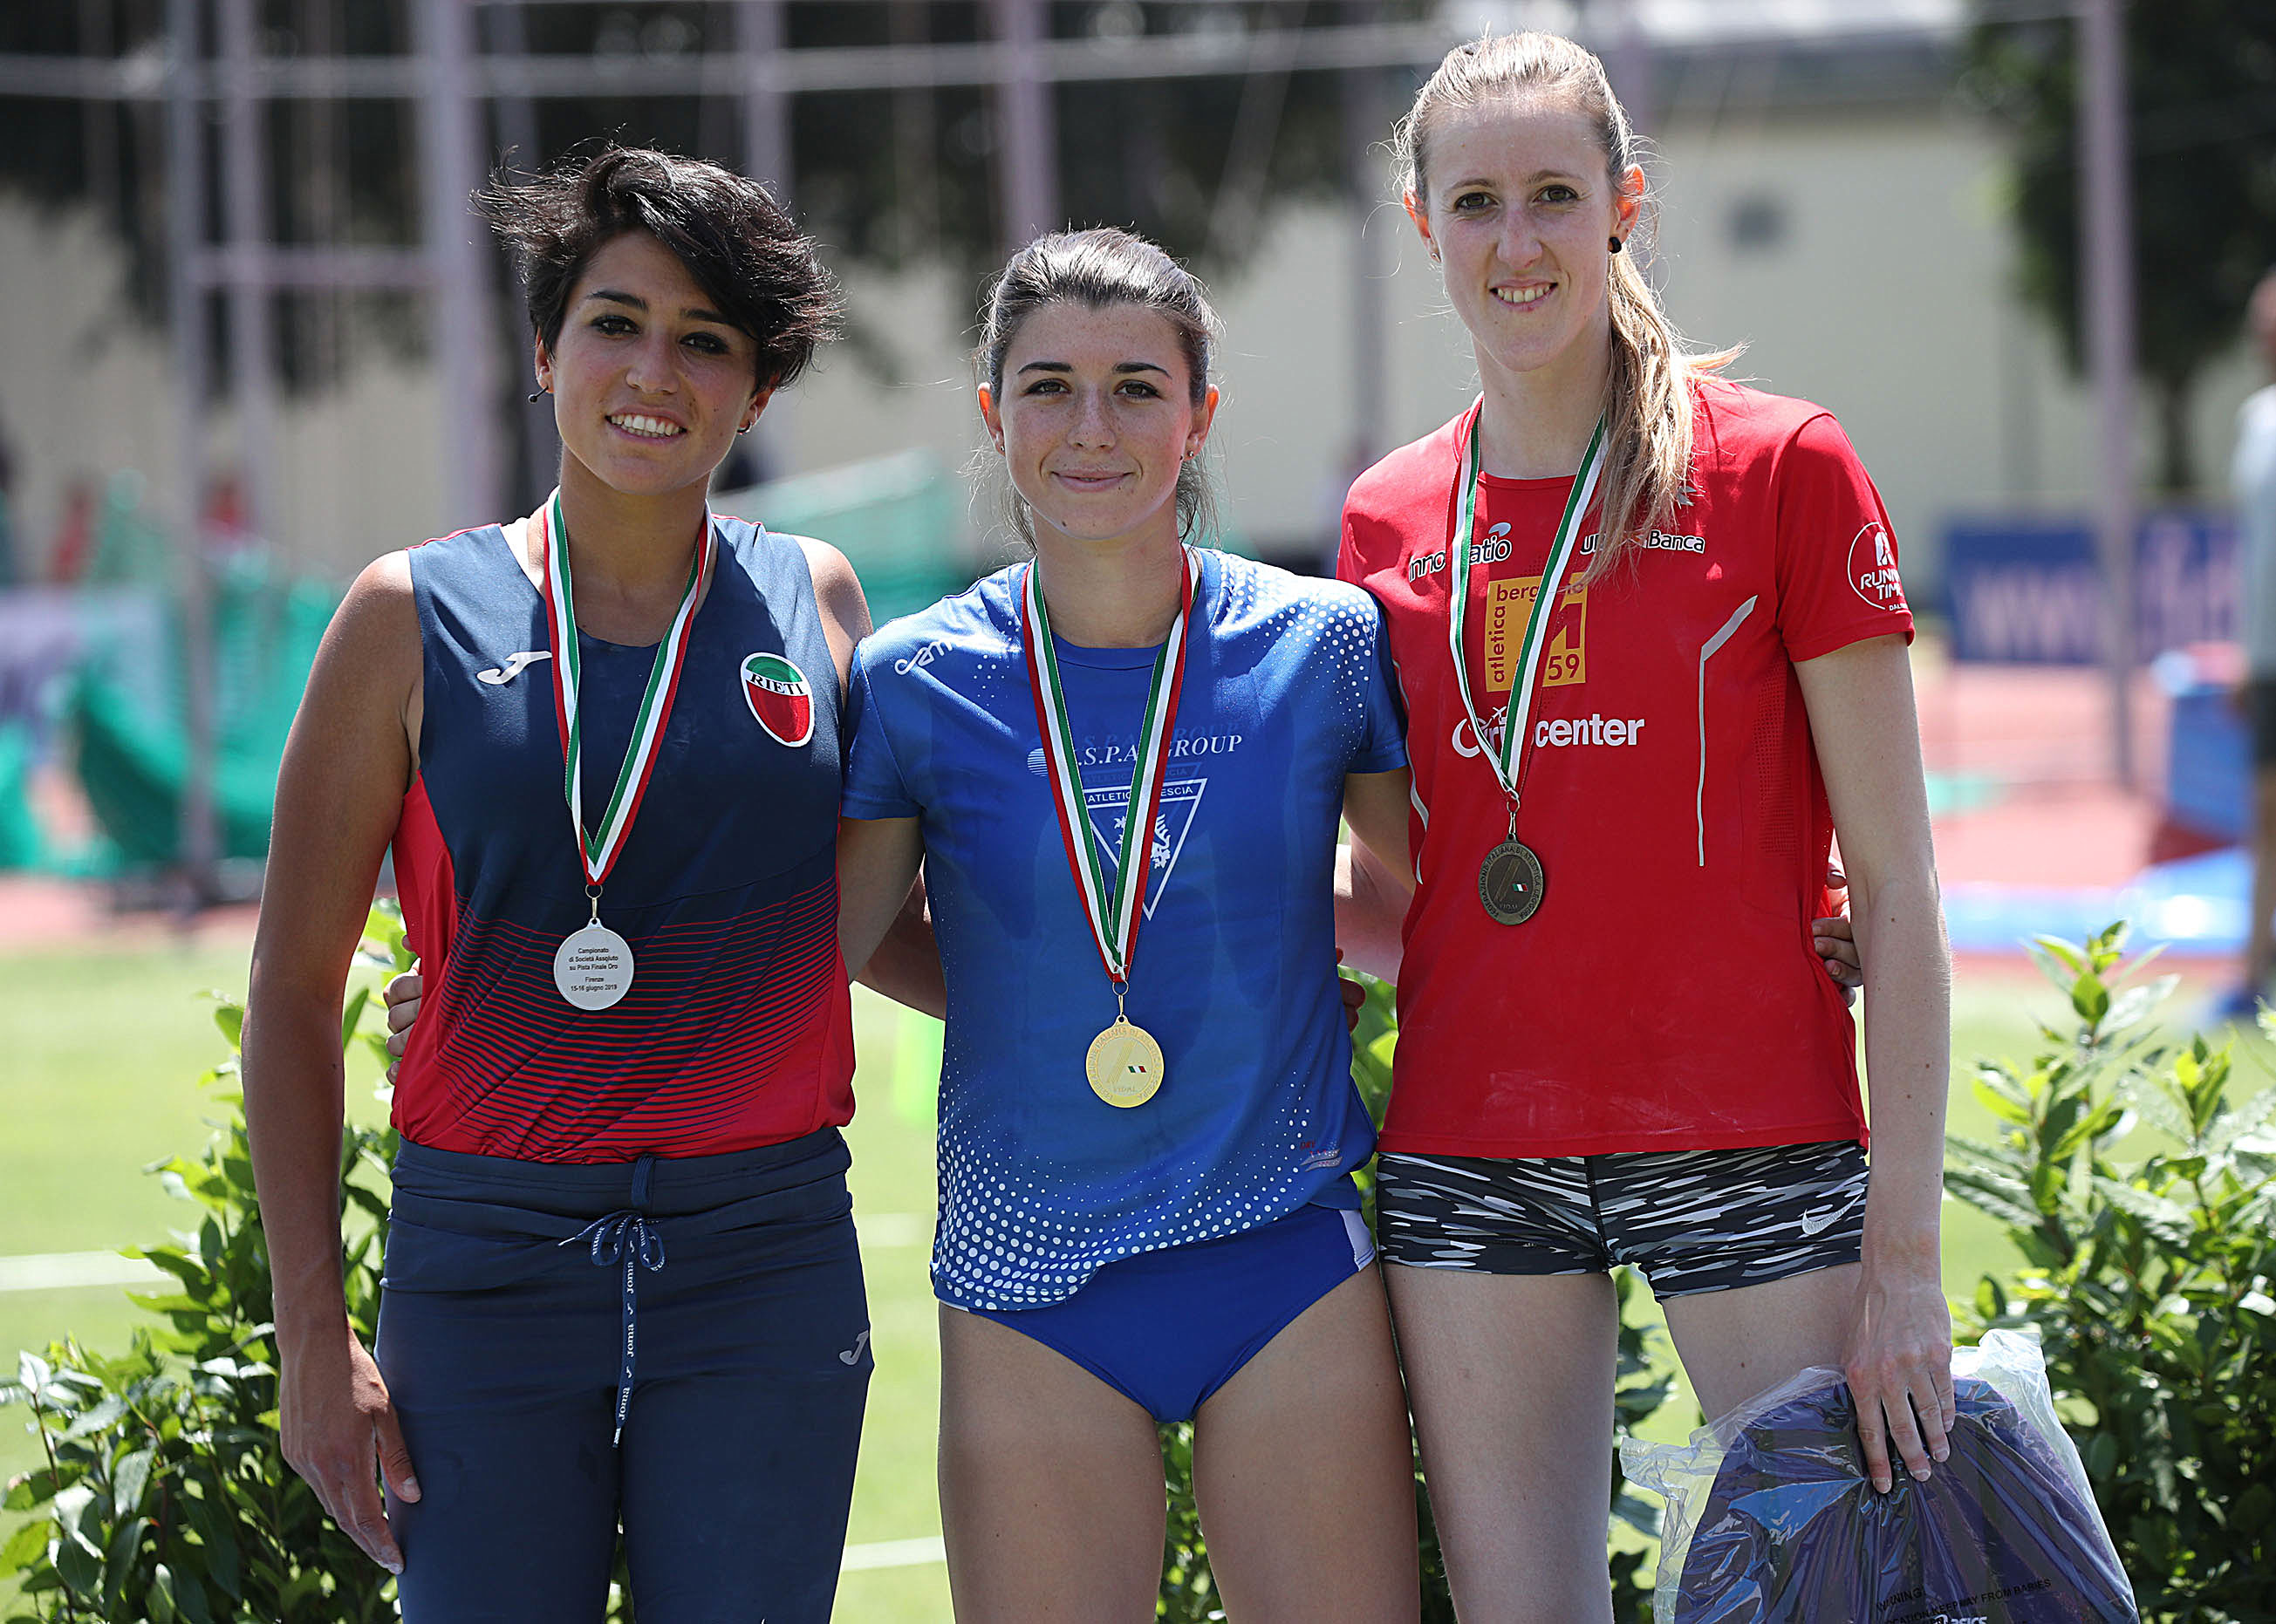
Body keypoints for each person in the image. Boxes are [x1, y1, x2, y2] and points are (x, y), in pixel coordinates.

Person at [1333, 32, 1954, 1624]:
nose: (1516, 240)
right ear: (1421, 224)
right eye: (1476, 201)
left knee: (1829, 1603)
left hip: (1749, 1130)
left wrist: (1903, 1259)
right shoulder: (1385, 516)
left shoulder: (1783, 469)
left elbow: (1895, 883)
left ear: (1623, 206)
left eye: (1554, 194)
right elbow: (1410, 873)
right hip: (1474, 1145)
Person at [242, 147, 896, 1624]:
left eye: (704, 340)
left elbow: (868, 927)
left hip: (764, 1257)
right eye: (613, 322)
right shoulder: (406, 616)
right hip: (486, 1263)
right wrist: (311, 1335)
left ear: (756, 391)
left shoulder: (818, 602)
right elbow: (288, 990)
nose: (652, 372)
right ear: (543, 351)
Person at [2224, 269, 2276, 1021]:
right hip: (2267, 661)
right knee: (2264, 815)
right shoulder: (2256, 419)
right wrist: (2246, 650)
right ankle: (2252, 974)